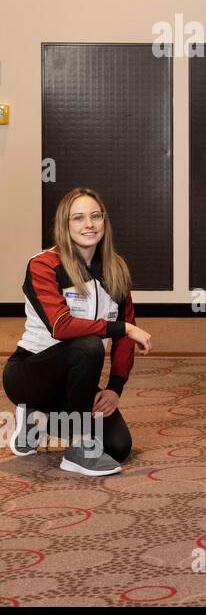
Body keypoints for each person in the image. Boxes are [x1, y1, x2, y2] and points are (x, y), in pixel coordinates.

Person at [4, 188, 153, 476]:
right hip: (29, 375)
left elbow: (123, 342)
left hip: (75, 378)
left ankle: (38, 422)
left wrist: (114, 388)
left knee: (118, 446)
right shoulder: (43, 265)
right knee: (89, 345)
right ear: (65, 224)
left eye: (96, 216)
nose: (89, 225)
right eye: (79, 218)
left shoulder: (116, 269)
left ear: (104, 223)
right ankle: (77, 448)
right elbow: (61, 327)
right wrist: (123, 327)